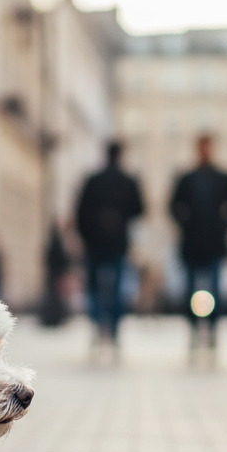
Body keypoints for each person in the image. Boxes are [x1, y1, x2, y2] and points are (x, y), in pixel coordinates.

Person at [170, 134, 227, 354]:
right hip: (193, 243)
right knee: (192, 291)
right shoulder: (187, 178)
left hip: (213, 243)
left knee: (216, 291)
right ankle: (194, 330)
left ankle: (211, 331)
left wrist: (223, 224)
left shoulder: (223, 178)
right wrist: (186, 225)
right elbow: (173, 206)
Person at [75, 140, 145, 350]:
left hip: (95, 243)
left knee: (94, 288)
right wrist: (120, 219)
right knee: (116, 288)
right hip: (117, 243)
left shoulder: (93, 180)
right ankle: (113, 330)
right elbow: (139, 209)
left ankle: (98, 326)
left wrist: (88, 235)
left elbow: (80, 212)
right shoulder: (128, 181)